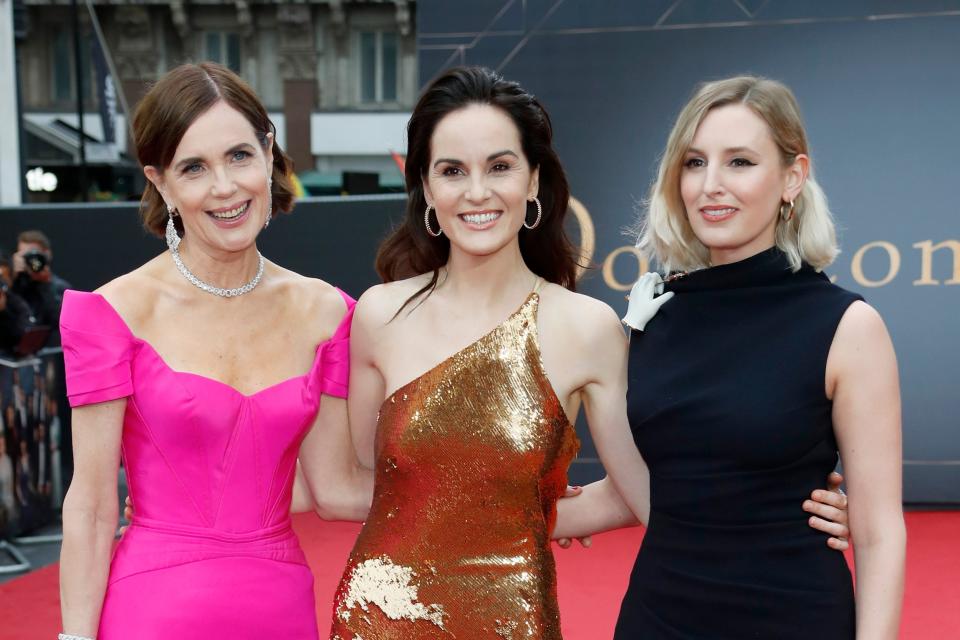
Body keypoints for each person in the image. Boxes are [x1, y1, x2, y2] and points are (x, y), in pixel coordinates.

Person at [328, 66, 849, 639]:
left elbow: (645, 491)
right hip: (377, 617)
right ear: (426, 188)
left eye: (500, 167)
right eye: (452, 171)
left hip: (513, 618)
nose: (477, 192)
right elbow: (369, 484)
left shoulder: (587, 327)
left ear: (533, 182)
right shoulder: (379, 314)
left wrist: (782, 502)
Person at [58, 62, 370, 640]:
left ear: (269, 152)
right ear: (160, 181)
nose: (224, 187)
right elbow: (94, 504)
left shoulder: (328, 313)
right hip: (152, 608)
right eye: (194, 168)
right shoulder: (112, 313)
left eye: (239, 156)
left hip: (279, 606)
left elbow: (334, 489)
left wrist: (499, 491)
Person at [607, 76, 905, 638]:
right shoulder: (657, 321)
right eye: (694, 163)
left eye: (739, 162)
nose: (710, 185)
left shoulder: (846, 327)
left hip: (792, 616)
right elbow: (655, 482)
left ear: (792, 177)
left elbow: (878, 532)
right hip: (657, 617)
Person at [11, 230, 71, 346]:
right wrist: (11, 276)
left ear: (47, 254)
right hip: (15, 353)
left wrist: (46, 285)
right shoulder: (15, 284)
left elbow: (62, 322)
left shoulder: (61, 287)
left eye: (33, 254)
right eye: (24, 256)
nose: (30, 261)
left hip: (49, 351)